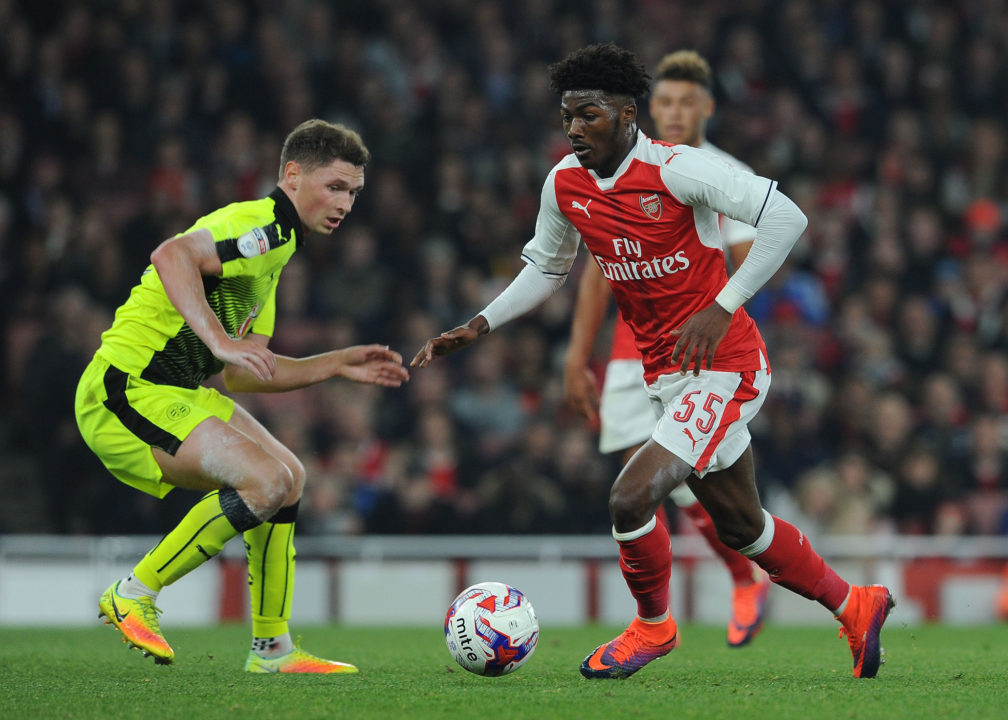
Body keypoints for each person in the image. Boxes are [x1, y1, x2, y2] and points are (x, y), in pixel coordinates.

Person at [412, 44, 894, 680]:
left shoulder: (679, 169)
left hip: (728, 365)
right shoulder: (565, 184)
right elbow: (546, 268)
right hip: (666, 374)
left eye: (589, 115)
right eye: (567, 118)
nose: (575, 130)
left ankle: (653, 627)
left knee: (631, 495)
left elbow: (786, 218)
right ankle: (854, 605)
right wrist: (479, 324)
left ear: (627, 112)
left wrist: (722, 305)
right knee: (743, 525)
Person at [75, 119, 410, 673]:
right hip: (126, 387)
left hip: (175, 389)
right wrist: (216, 340)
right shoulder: (260, 226)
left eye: (354, 192)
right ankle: (134, 592)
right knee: (266, 481)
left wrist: (334, 364)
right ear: (293, 175)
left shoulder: (276, 255)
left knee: (290, 477)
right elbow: (170, 255)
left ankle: (272, 650)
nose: (345, 203)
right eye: (334, 187)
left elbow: (246, 374)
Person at [562, 49, 771, 649]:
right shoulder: (613, 170)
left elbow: (745, 260)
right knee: (644, 478)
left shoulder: (714, 171)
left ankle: (730, 582)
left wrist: (721, 325)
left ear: (706, 107)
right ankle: (661, 614)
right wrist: (578, 357)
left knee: (670, 481)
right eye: (666, 102)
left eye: (686, 102)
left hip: (697, 349)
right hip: (633, 352)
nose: (674, 112)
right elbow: (600, 268)